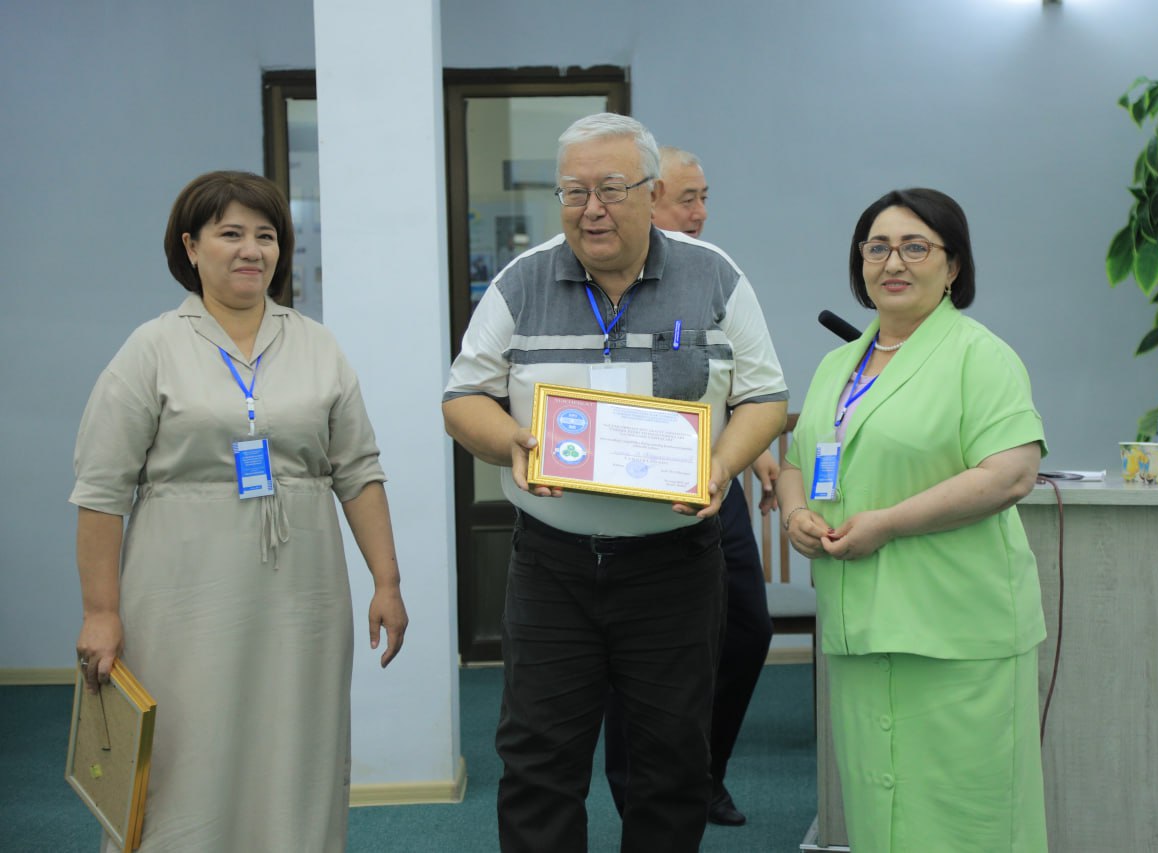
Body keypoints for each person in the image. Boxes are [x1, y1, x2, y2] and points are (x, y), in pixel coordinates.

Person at [442, 113, 787, 853]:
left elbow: (765, 397)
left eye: (611, 188)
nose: (590, 209)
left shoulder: (713, 274)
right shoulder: (520, 281)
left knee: (671, 763)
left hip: (674, 567)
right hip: (552, 566)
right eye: (573, 192)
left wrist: (721, 465)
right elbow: (463, 398)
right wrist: (511, 442)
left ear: (651, 192)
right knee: (537, 761)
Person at [71, 171, 408, 852]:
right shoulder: (151, 348)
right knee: (185, 749)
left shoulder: (317, 345)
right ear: (191, 247)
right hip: (180, 589)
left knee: (297, 741)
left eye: (266, 235)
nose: (252, 250)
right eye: (231, 234)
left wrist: (387, 581)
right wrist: (100, 611)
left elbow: (359, 471)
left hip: (303, 592)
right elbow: (101, 492)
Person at [775, 188, 1049, 852]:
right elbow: (798, 461)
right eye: (877, 247)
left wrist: (890, 522)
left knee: (968, 818)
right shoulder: (839, 365)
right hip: (861, 623)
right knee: (882, 814)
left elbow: (1011, 472)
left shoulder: (979, 355)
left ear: (953, 266)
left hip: (956, 626)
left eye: (915, 247)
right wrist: (795, 513)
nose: (893, 262)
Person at [602, 144, 775, 828]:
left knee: (747, 628)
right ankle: (636, 793)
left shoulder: (712, 274)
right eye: (687, 198)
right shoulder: (613, 277)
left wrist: (751, 455)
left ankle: (703, 773)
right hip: (629, 493)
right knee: (633, 650)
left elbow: (738, 380)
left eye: (705, 197)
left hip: (711, 482)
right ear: (648, 201)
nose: (700, 211)